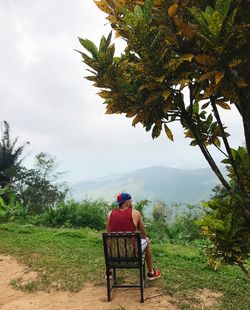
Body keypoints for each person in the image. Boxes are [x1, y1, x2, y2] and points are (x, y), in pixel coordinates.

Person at [106, 192, 161, 280]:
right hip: (131, 253)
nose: (132, 203)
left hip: (115, 254)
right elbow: (143, 234)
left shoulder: (109, 214)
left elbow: (108, 234)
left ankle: (108, 271)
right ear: (127, 202)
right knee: (147, 240)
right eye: (131, 201)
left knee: (109, 241)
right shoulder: (135, 213)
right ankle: (151, 273)